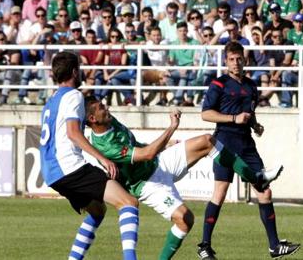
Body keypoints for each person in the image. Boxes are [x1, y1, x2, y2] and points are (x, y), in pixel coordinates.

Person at [85, 101, 281, 260]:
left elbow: (139, 147)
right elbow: (146, 154)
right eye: (102, 108)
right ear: (93, 119)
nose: (107, 108)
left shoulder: (110, 122)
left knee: (207, 141)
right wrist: (171, 128)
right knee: (185, 219)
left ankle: (256, 178)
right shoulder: (105, 145)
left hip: (159, 162)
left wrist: (166, 145)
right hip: (147, 183)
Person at [197, 42, 300, 260]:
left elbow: (249, 113)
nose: (236, 63)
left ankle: (274, 246)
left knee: (264, 191)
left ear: (245, 60)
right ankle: (204, 246)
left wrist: (255, 125)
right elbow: (206, 114)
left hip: (246, 144)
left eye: (239, 58)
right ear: (226, 61)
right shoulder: (218, 83)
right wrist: (233, 118)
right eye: (232, 59)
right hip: (224, 141)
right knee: (220, 192)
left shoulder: (252, 86)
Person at [39, 51, 139, 260]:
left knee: (97, 210)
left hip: (52, 173)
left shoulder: (51, 101)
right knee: (129, 202)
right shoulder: (74, 95)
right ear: (75, 71)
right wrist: (103, 158)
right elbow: (73, 133)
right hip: (70, 167)